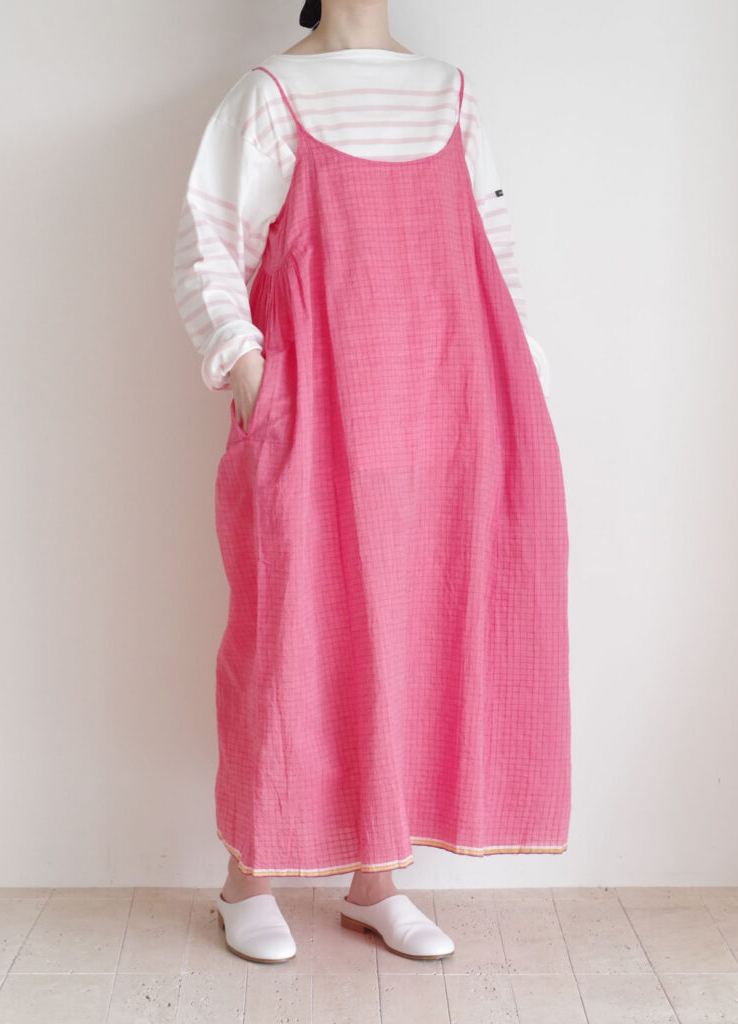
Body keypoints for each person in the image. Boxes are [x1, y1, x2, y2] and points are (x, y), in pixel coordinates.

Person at [171, 0, 570, 965]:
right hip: (317, 419)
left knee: (413, 634)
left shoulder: (447, 94)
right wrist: (250, 375)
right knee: (293, 636)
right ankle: (246, 879)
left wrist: (523, 393)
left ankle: (376, 883)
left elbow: (494, 254)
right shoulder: (272, 94)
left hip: (447, 412)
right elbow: (207, 243)